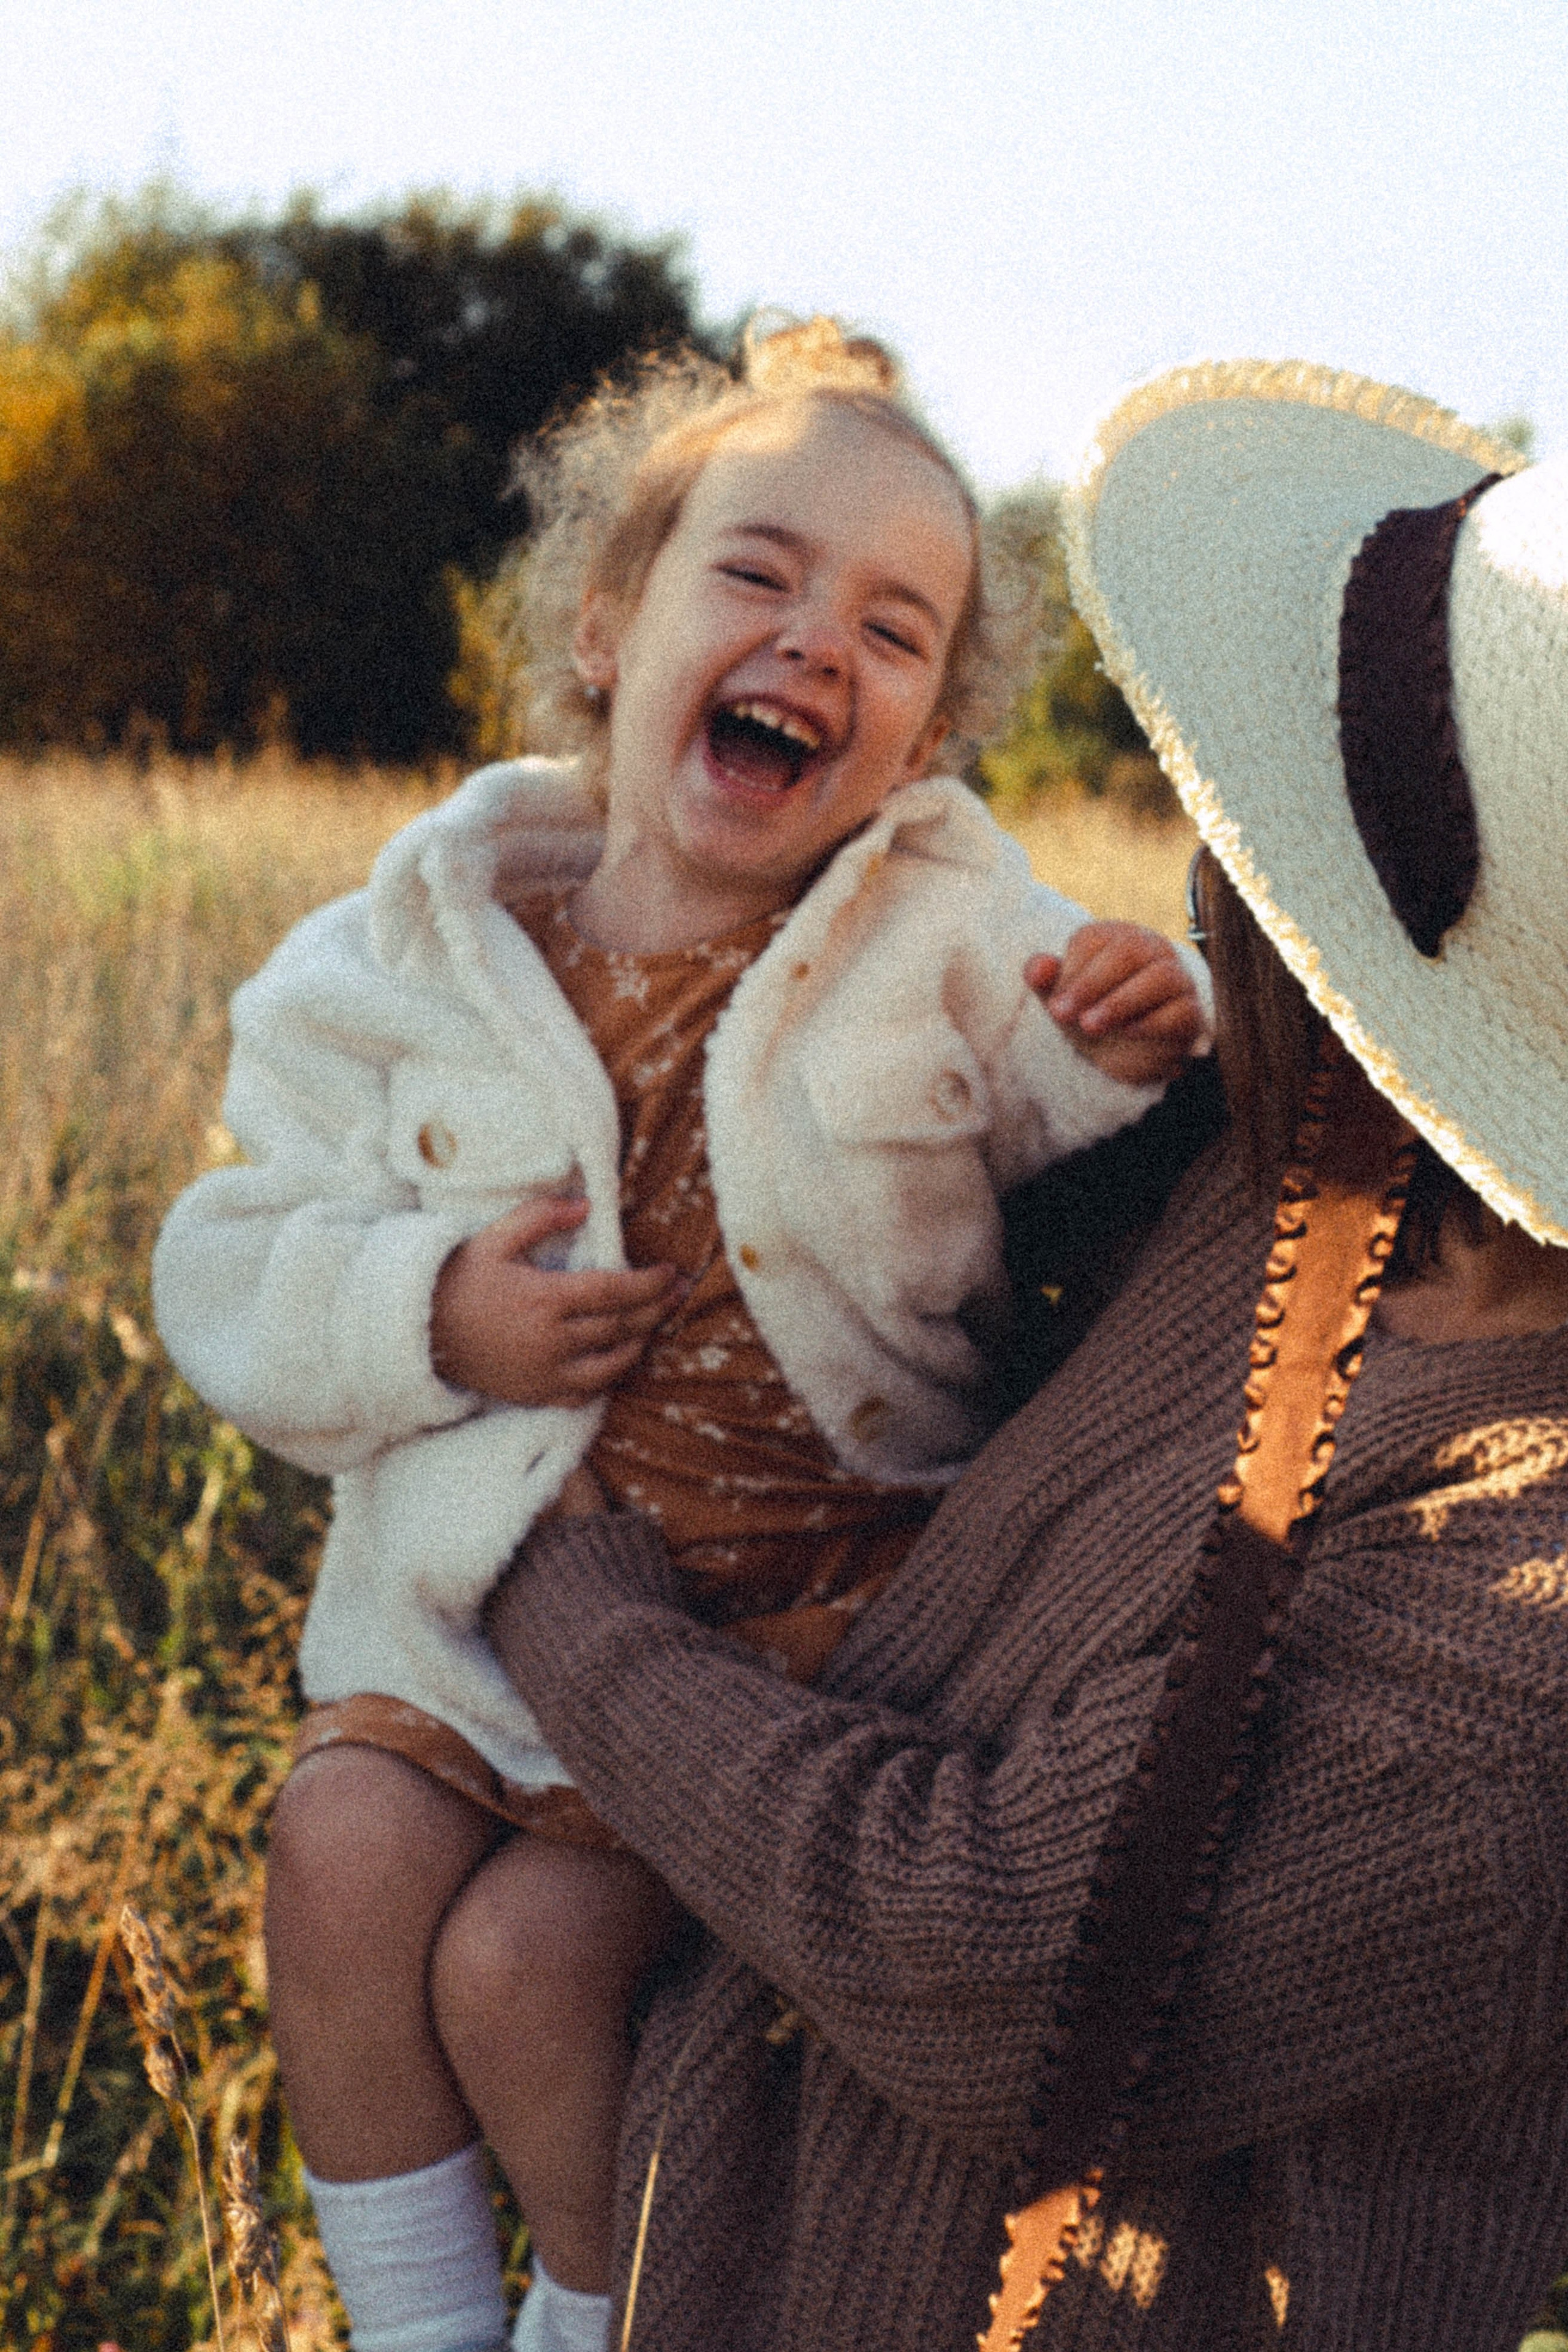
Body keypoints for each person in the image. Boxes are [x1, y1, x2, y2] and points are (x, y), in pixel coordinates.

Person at [470, 361, 1568, 2351]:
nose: (1211, 880)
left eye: (1266, 853)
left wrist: (559, 1586)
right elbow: (900, 1245)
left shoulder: (1529, 1619)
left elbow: (984, 1958)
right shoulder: (1285, 1181)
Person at [151, 318, 1207, 2352]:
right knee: (338, 1851)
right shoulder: (401, 957)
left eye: (893, 630)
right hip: (473, 1611)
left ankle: (606, 2314)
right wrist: (431, 1312)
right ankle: (415, 2326)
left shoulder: (939, 922)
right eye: (759, 575)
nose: (818, 643)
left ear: (924, 741)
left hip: (794, 1647)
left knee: (527, 1972)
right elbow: (226, 1260)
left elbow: (1078, 1085)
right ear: (609, 628)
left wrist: (1133, 1025)